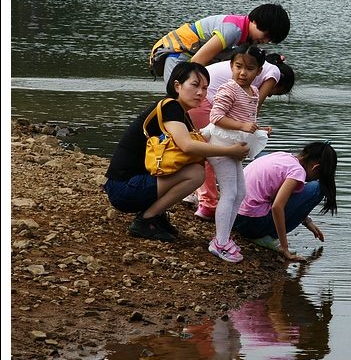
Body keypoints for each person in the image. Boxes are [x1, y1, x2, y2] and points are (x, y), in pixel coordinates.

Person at [103, 62, 249, 242]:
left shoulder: (179, 111)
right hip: (123, 189)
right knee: (196, 173)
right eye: (195, 85)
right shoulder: (170, 107)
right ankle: (146, 220)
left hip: (126, 185)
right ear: (177, 86)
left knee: (192, 165)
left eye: (204, 88)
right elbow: (187, 145)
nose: (200, 93)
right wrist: (229, 151)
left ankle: (156, 215)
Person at [187, 52, 295, 221]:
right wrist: (247, 127)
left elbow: (245, 114)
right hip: (205, 98)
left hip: (201, 94)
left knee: (234, 186)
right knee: (210, 152)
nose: (271, 94)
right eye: (276, 92)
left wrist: (257, 130)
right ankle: (208, 204)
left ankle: (197, 195)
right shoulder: (272, 73)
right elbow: (252, 111)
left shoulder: (250, 85)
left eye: (249, 69)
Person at [200, 45, 271, 263]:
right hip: (221, 144)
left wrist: (257, 128)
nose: (243, 72)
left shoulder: (254, 91)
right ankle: (220, 242)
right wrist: (241, 125)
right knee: (230, 192)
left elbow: (246, 118)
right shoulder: (228, 89)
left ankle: (224, 238)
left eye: (249, 68)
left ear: (259, 71)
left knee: (240, 192)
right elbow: (215, 116)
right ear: (231, 66)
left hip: (234, 144)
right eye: (238, 66)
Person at [233, 141, 338, 262]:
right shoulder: (298, 171)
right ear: (316, 167)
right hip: (251, 224)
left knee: (263, 156)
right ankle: (263, 236)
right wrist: (285, 248)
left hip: (234, 217)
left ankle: (255, 232)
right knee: (317, 188)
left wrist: (306, 221)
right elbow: (277, 207)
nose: (312, 179)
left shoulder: (283, 156)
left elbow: (277, 193)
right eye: (318, 176)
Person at [149, 4, 290, 88]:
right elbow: (197, 61)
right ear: (254, 21)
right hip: (179, 56)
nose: (265, 41)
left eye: (270, 39)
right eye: (265, 35)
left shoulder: (245, 34)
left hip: (190, 57)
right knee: (178, 96)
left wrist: (272, 61)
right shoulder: (232, 31)